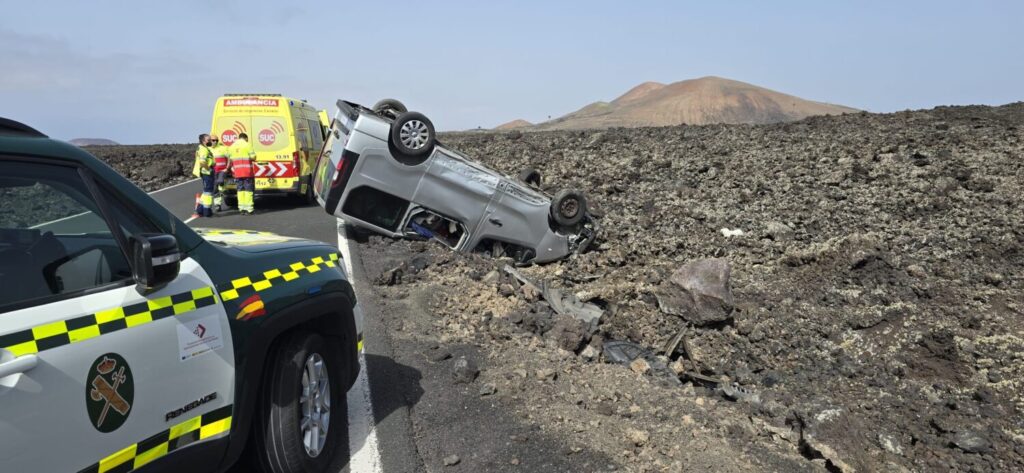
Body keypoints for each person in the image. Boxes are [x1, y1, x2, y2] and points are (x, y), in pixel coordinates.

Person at [229, 132, 257, 215]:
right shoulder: (247, 145)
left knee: (240, 190)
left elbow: (230, 159)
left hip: (237, 172)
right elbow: (253, 157)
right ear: (246, 138)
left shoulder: (232, 146)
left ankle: (241, 208)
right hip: (247, 172)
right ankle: (249, 209)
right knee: (248, 190)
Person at [192, 133, 215, 217]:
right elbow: (202, 162)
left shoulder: (201, 147)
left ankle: (200, 210)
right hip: (207, 172)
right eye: (208, 140)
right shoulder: (203, 149)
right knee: (208, 192)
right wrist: (208, 168)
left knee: (205, 191)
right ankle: (207, 211)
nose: (210, 141)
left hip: (205, 172)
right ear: (203, 141)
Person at [210, 136, 230, 211]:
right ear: (210, 141)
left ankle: (224, 191)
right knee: (215, 189)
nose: (215, 141)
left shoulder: (223, 148)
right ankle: (217, 205)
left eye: (216, 140)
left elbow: (229, 158)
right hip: (213, 171)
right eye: (213, 140)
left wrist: (227, 168)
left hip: (222, 171)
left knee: (221, 182)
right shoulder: (208, 149)